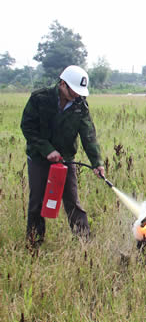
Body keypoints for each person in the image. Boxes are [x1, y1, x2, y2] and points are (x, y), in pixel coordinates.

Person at [20, 65, 105, 247]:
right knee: (37, 202)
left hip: (66, 159)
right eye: (74, 90)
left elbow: (88, 135)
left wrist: (97, 162)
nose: (77, 94)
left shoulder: (80, 105)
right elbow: (27, 127)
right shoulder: (39, 99)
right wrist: (47, 150)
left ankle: (84, 244)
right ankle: (34, 244)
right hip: (38, 158)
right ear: (63, 84)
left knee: (73, 202)